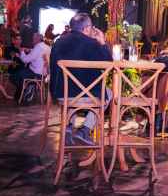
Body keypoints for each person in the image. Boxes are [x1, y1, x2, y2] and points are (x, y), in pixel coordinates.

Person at [50, 13, 112, 146]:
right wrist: (102, 42)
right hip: (84, 94)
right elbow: (108, 63)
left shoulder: (58, 42)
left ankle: (68, 127)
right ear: (87, 28)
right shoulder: (91, 43)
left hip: (60, 92)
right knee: (108, 93)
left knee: (70, 88)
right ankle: (85, 130)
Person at [11, 32, 51, 104]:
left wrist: (22, 51)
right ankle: (27, 90)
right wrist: (29, 50)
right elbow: (36, 54)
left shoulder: (38, 47)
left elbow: (25, 60)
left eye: (33, 38)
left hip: (35, 74)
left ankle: (23, 94)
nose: (32, 40)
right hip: (44, 74)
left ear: (37, 39)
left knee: (14, 76)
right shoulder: (47, 47)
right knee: (22, 71)